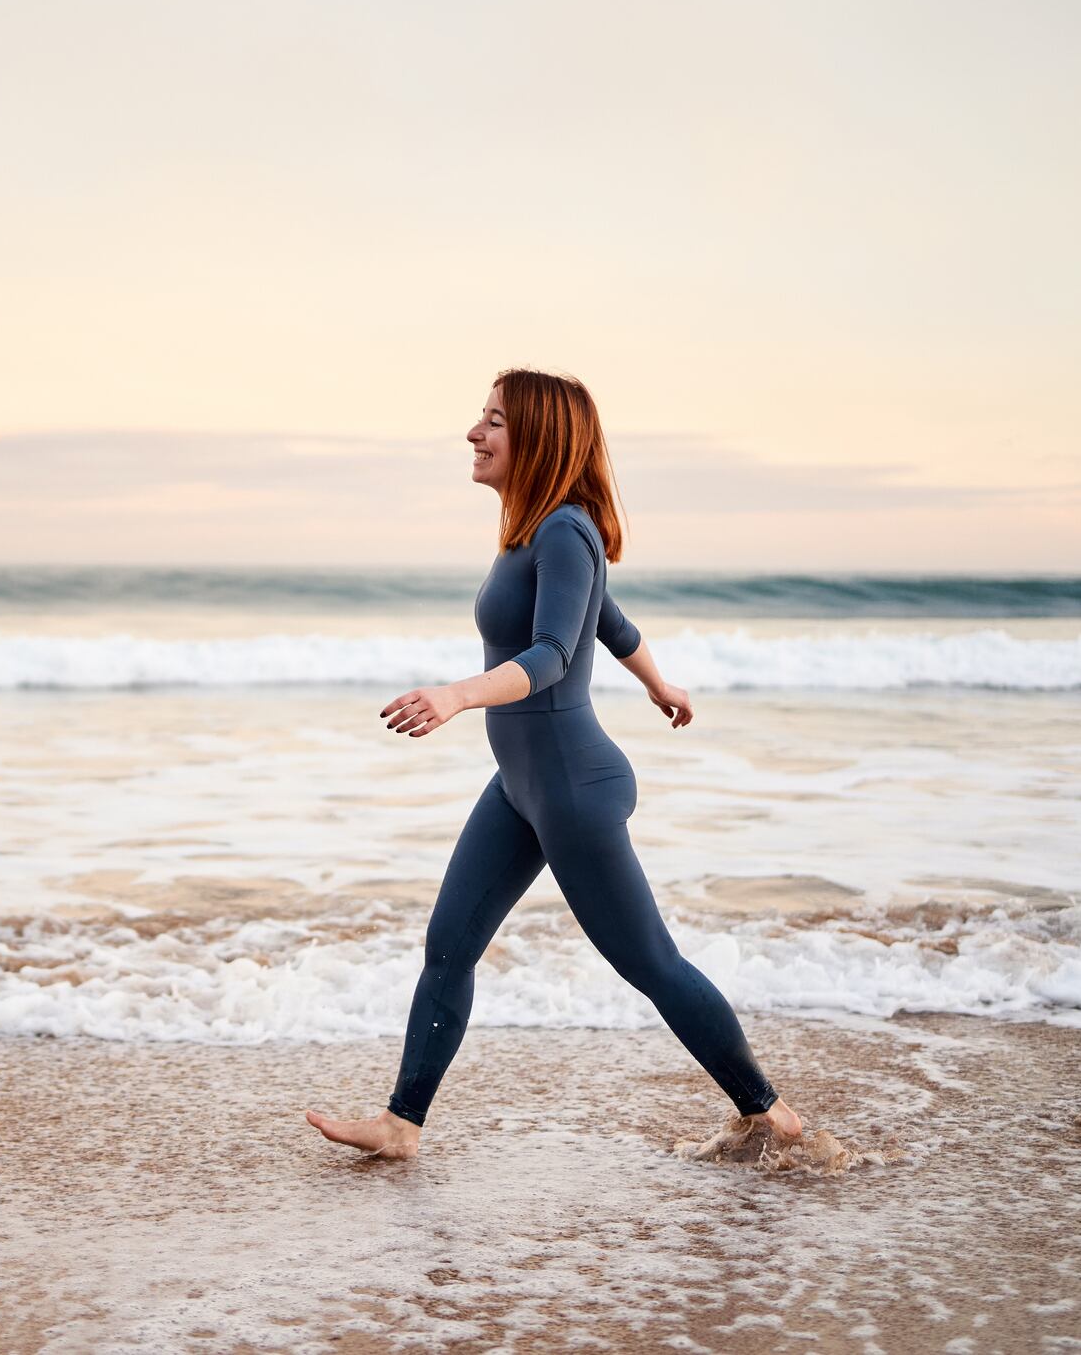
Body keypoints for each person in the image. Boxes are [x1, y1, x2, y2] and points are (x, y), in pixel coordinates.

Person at [305, 367, 804, 1159]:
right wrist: (659, 682)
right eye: (481, 417)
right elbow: (609, 620)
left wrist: (459, 696)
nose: (474, 432)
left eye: (494, 421)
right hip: (522, 786)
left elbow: (550, 653)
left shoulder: (564, 530)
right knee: (449, 946)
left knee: (650, 963)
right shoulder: (536, 534)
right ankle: (400, 1125)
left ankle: (771, 1116)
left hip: (572, 788)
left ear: (538, 437)